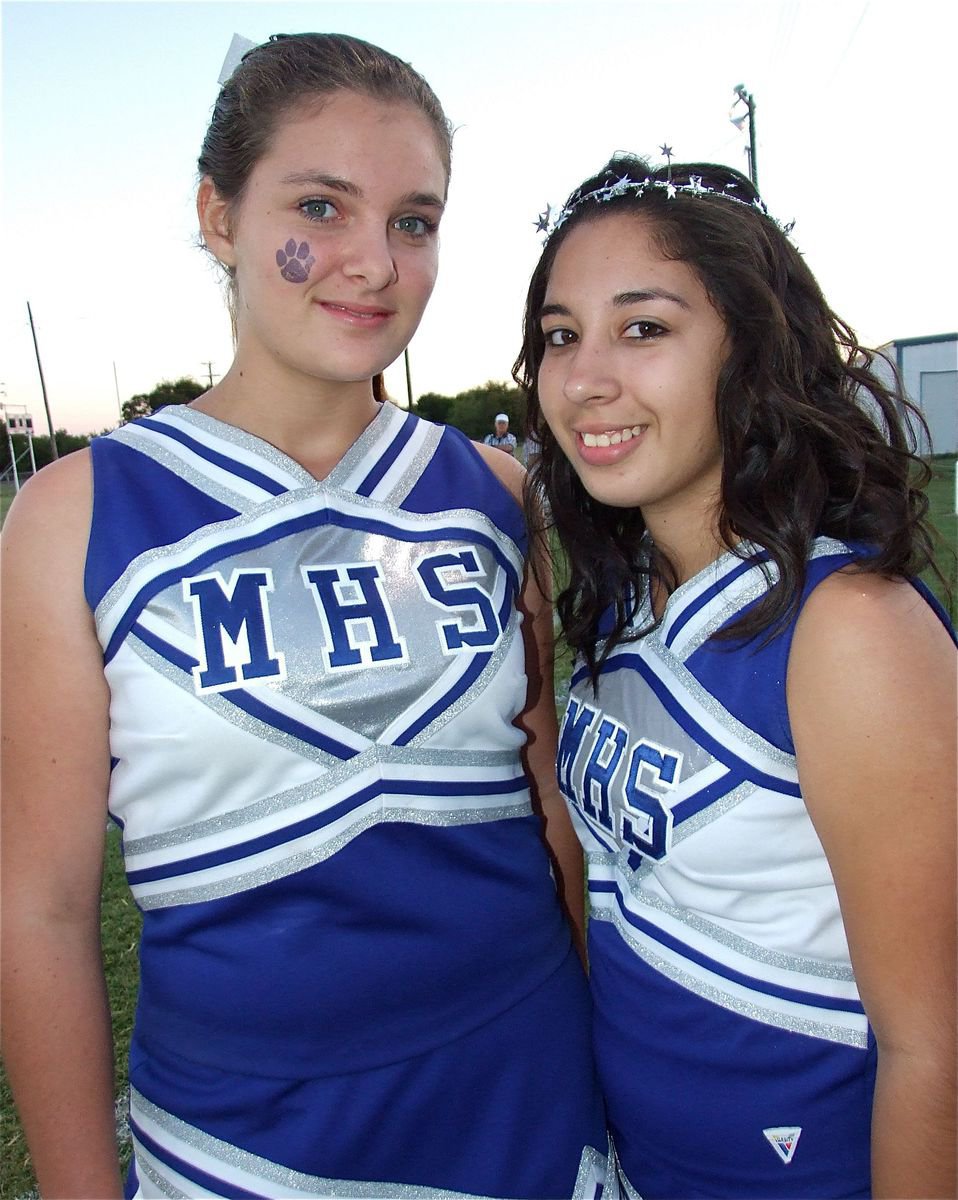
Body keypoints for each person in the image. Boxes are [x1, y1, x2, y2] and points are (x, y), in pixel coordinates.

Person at [0, 34, 613, 1200]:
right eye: (320, 207)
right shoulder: (74, 516)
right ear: (217, 215)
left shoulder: (492, 491)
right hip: (247, 1142)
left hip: (528, 1097)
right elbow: (38, 907)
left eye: (415, 221)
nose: (373, 263)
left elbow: (542, 807)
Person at [514, 152, 957, 1198]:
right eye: (560, 336)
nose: (584, 378)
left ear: (751, 352)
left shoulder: (848, 629)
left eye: (645, 328)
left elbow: (936, 1044)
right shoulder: (629, 600)